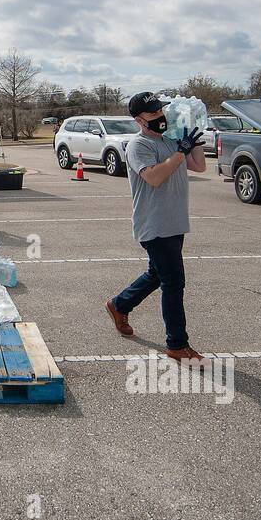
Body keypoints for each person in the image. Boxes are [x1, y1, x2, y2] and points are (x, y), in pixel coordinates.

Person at [104, 93, 206, 362]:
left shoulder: (171, 139)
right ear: (139, 120)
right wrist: (180, 152)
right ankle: (177, 344)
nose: (160, 116)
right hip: (154, 224)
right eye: (153, 114)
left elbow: (199, 166)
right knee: (173, 282)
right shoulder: (138, 146)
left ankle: (120, 304)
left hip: (175, 222)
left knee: (157, 274)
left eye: (161, 110)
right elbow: (154, 177)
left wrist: (192, 139)